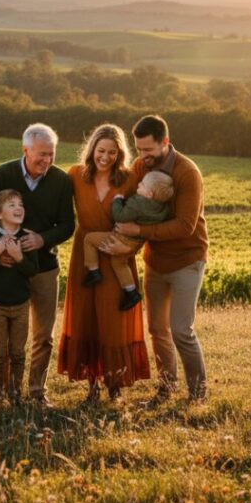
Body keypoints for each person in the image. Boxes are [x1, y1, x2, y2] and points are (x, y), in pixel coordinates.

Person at [103, 115, 209, 403]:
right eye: (138, 149)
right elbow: (125, 195)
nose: (142, 156)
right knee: (157, 330)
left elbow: (185, 226)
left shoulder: (187, 172)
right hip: (156, 260)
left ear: (165, 142)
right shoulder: (141, 166)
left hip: (187, 259)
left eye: (148, 149)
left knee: (181, 331)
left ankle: (197, 394)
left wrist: (139, 231)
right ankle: (166, 389)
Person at [0, 123, 74, 407]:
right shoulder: (3, 174)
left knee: (43, 335)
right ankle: (3, 392)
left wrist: (42, 239)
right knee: (9, 341)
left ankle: (36, 391)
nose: (47, 160)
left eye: (51, 153)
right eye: (41, 154)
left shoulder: (60, 180)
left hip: (44, 267)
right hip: (8, 268)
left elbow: (68, 225)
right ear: (26, 150)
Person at [57, 124, 150, 403]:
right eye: (101, 151)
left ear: (119, 154)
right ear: (91, 149)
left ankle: (115, 383)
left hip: (115, 254)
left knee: (113, 318)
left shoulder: (129, 180)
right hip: (85, 257)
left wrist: (132, 247)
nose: (105, 157)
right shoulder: (75, 175)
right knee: (86, 318)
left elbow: (143, 219)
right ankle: (92, 384)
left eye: (112, 152)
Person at [81, 170, 174, 311]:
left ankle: (93, 271)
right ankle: (131, 292)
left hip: (120, 238)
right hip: (135, 243)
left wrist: (117, 201)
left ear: (149, 194)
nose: (139, 184)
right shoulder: (163, 209)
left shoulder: (138, 203)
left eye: (142, 184)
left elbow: (120, 215)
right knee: (119, 263)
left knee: (89, 239)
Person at [0, 189, 39, 406]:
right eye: (11, 205)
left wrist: (18, 256)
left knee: (18, 353)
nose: (18, 208)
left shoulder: (27, 238)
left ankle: (15, 395)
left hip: (21, 304)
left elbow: (32, 270)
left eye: (20, 204)